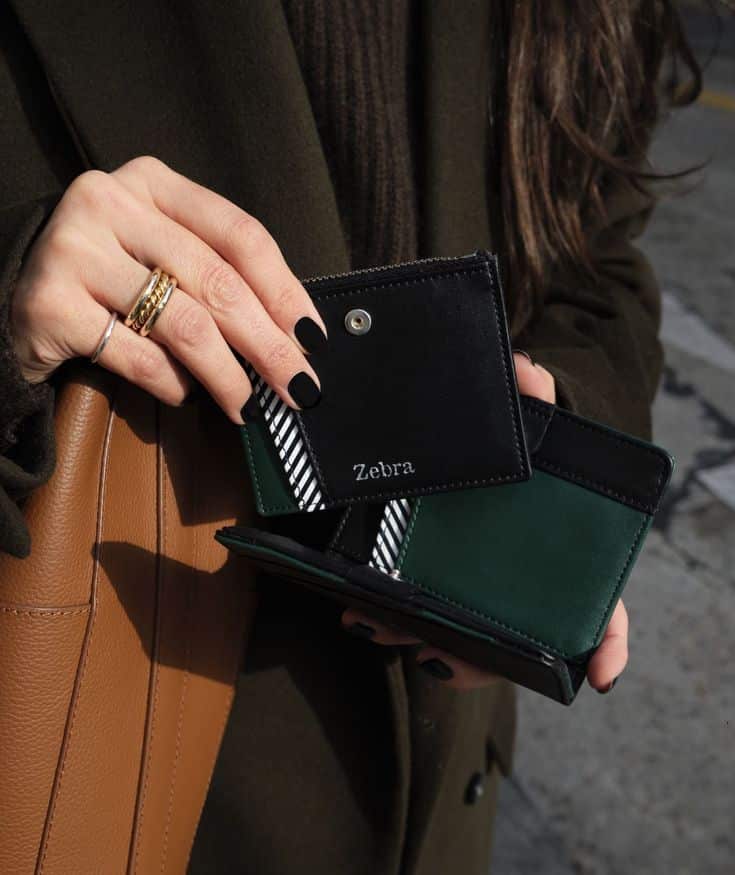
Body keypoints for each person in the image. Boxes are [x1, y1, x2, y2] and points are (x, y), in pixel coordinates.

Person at [0, 2, 699, 873]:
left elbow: (599, 254)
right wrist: (12, 305)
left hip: (439, 793)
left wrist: (551, 439)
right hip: (140, 775)